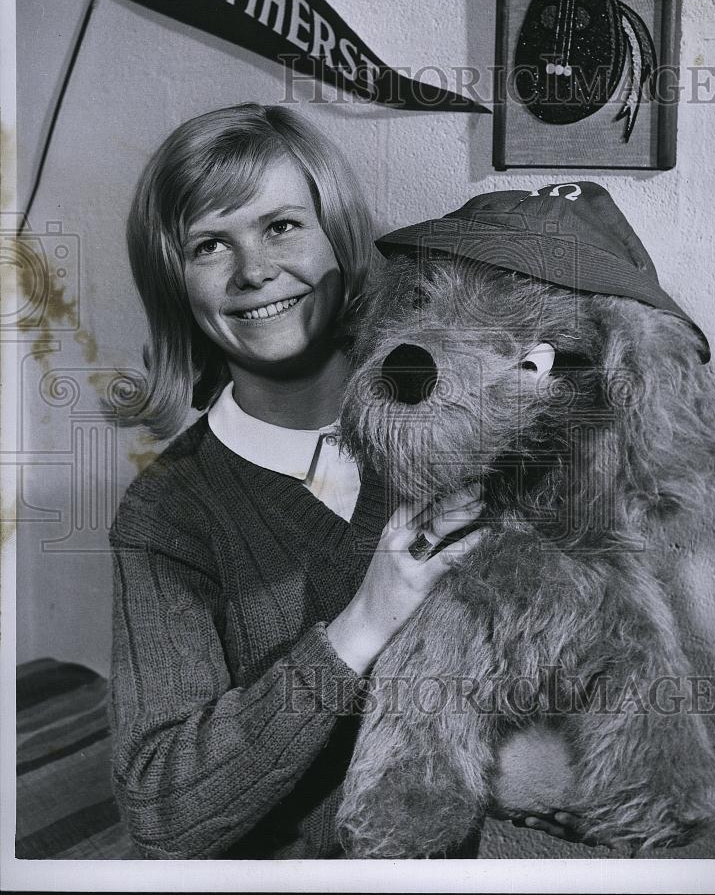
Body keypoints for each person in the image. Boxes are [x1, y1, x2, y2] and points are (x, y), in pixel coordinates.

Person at [108, 102, 582, 860]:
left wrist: (529, 758)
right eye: (209, 245)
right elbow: (164, 810)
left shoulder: (463, 424)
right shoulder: (167, 512)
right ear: (176, 286)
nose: (254, 269)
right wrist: (362, 624)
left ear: (339, 238)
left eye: (282, 226)